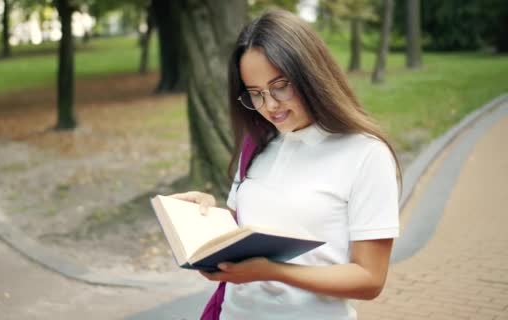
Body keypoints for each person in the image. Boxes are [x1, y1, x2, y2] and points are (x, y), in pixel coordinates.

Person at [170, 10, 401, 320]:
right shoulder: (257, 143)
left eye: (280, 86)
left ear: (311, 75)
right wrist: (207, 213)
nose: (270, 106)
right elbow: (248, 227)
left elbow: (370, 279)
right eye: (255, 94)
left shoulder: (365, 155)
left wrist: (275, 272)